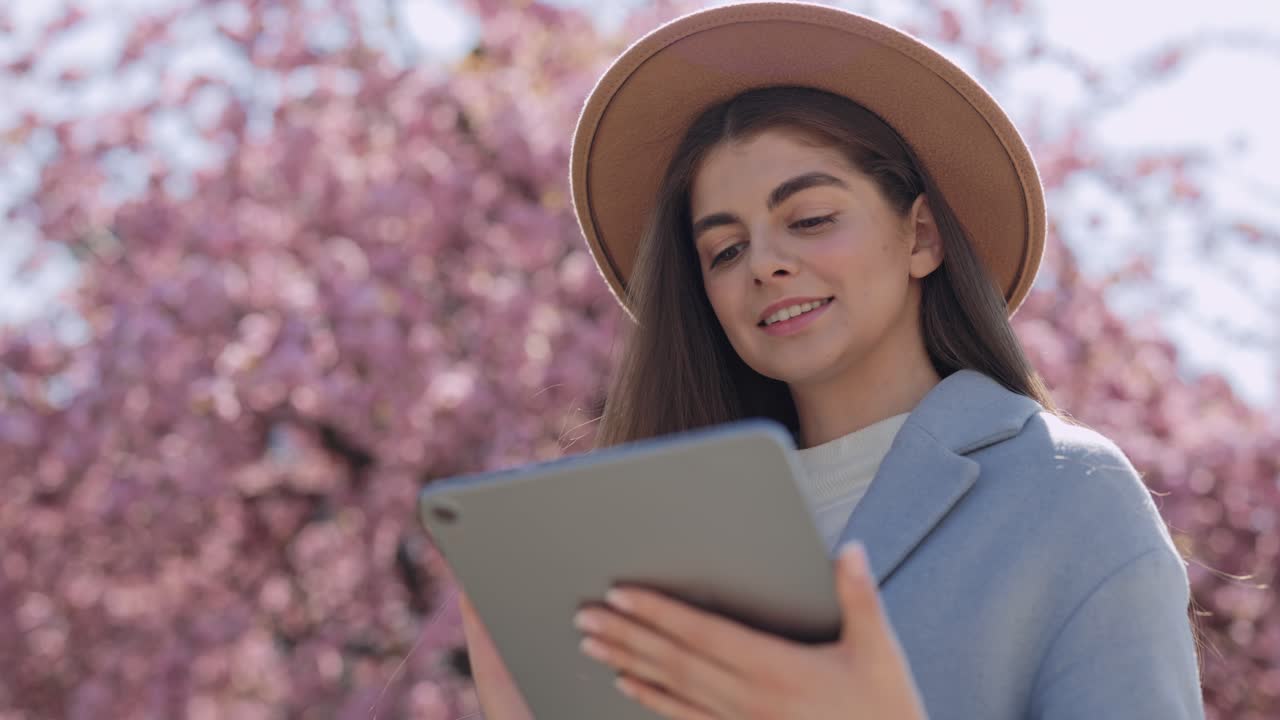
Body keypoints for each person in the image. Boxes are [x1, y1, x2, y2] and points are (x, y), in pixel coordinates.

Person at [455, 3, 1205, 718]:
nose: (766, 264)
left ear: (921, 237)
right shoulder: (657, 539)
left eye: (809, 218)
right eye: (724, 249)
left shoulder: (1067, 492)